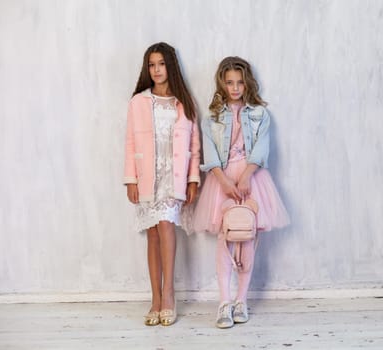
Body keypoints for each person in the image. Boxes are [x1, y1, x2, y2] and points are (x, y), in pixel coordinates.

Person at [193, 56, 290, 328]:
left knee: (247, 238)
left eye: (240, 82)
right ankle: (224, 302)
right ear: (222, 84)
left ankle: (241, 300)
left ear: (247, 83)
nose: (235, 88)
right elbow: (210, 151)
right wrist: (223, 182)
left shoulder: (260, 113)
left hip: (252, 178)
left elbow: (261, 147)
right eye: (229, 83)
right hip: (222, 180)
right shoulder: (212, 116)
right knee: (226, 240)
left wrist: (246, 176)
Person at [123, 42, 200, 326]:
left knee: (167, 226)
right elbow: (130, 141)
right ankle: (154, 298)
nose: (156, 70)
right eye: (151, 65)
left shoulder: (184, 102)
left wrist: (193, 179)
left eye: (161, 64)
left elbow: (194, 143)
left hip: (173, 176)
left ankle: (169, 295)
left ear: (171, 66)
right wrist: (130, 179)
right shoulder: (138, 102)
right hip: (147, 176)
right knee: (153, 234)